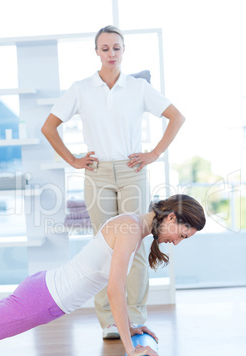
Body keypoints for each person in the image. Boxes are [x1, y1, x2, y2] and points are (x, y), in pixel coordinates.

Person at [41, 25, 185, 339]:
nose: (111, 54)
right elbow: (49, 127)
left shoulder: (137, 88)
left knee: (134, 245)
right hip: (98, 173)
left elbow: (177, 117)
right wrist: (74, 160)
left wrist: (154, 153)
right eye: (105, 48)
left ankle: (135, 317)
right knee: (102, 247)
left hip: (133, 170)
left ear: (123, 51)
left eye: (117, 48)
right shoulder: (81, 88)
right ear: (96, 52)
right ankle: (108, 322)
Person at [0, 195, 205, 356]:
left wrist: (129, 326)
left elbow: (119, 290)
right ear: (172, 217)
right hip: (43, 299)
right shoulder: (130, 229)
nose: (176, 242)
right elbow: (114, 291)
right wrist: (131, 349)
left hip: (42, 291)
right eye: (182, 235)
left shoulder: (133, 227)